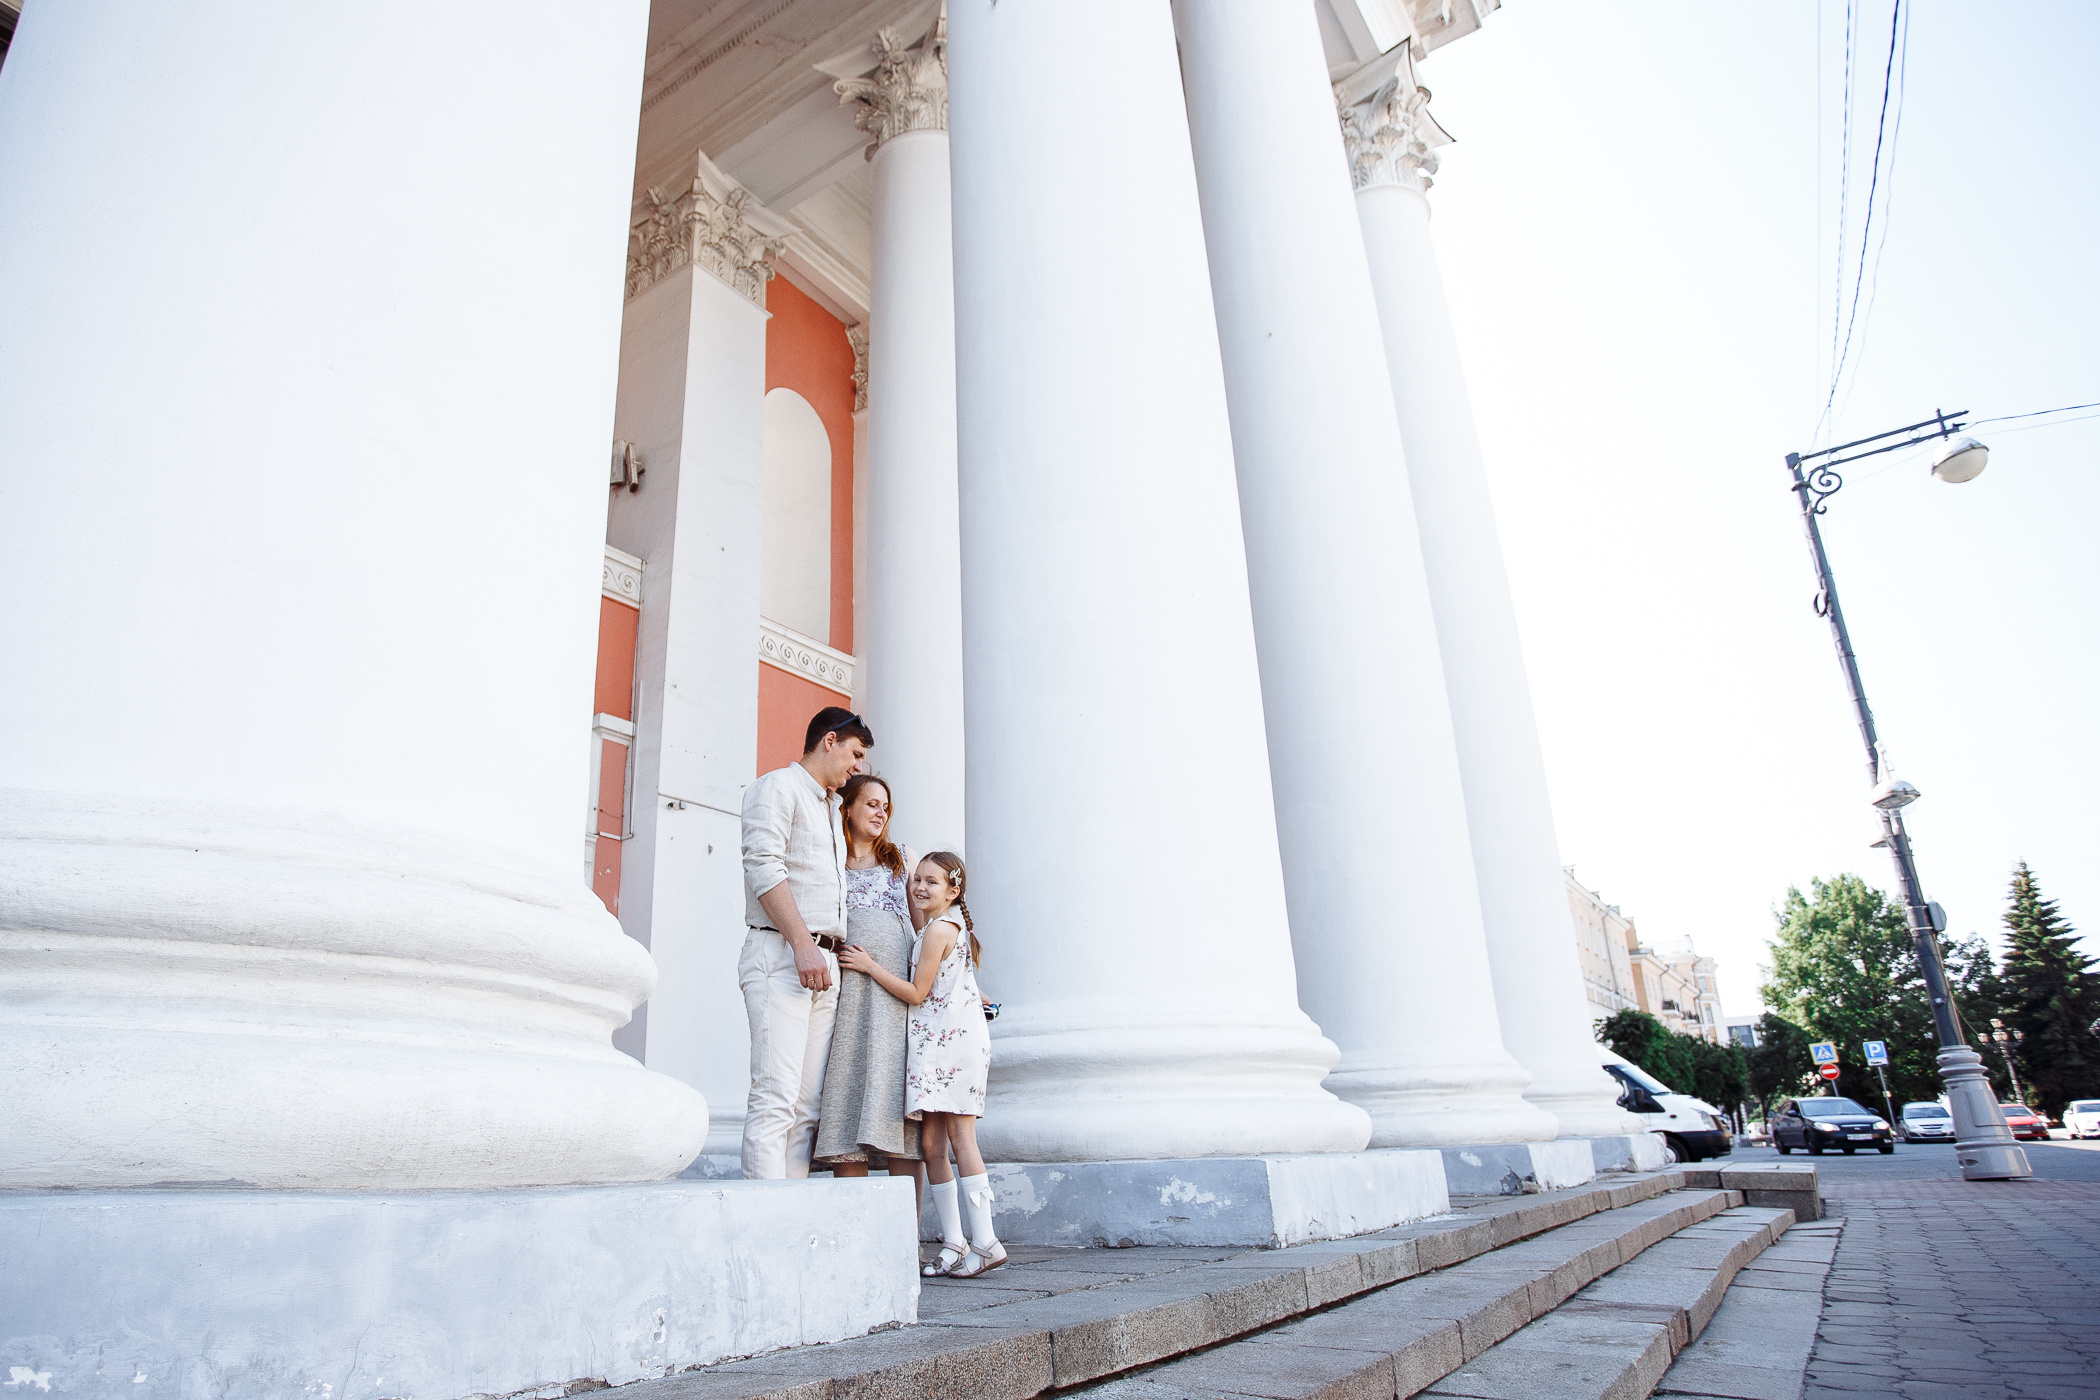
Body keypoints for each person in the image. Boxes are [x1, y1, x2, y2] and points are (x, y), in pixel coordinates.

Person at [840, 851, 1001, 1278]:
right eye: (918, 880)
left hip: (951, 1047)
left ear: (953, 890)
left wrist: (869, 965)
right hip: (936, 1046)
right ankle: (953, 1242)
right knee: (931, 1145)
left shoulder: (937, 931)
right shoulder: (937, 927)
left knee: (960, 1138)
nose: (921, 887)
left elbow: (917, 993)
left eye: (932, 881)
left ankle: (985, 1241)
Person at [738, 706, 872, 1180]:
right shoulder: (777, 787)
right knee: (775, 1097)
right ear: (829, 741)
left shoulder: (830, 809)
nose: (859, 766)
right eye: (856, 754)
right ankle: (763, 1229)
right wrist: (802, 945)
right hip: (783, 954)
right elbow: (764, 868)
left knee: (806, 1109)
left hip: (823, 964)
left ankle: (790, 1223)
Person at [812, 773, 925, 1190]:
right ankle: (855, 1238)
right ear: (848, 807)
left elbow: (924, 932)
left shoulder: (902, 858)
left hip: (897, 1001)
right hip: (849, 1000)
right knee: (847, 1094)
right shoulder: (831, 862)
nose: (881, 812)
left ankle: (906, 1241)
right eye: (871, 804)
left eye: (885, 806)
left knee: (897, 1113)